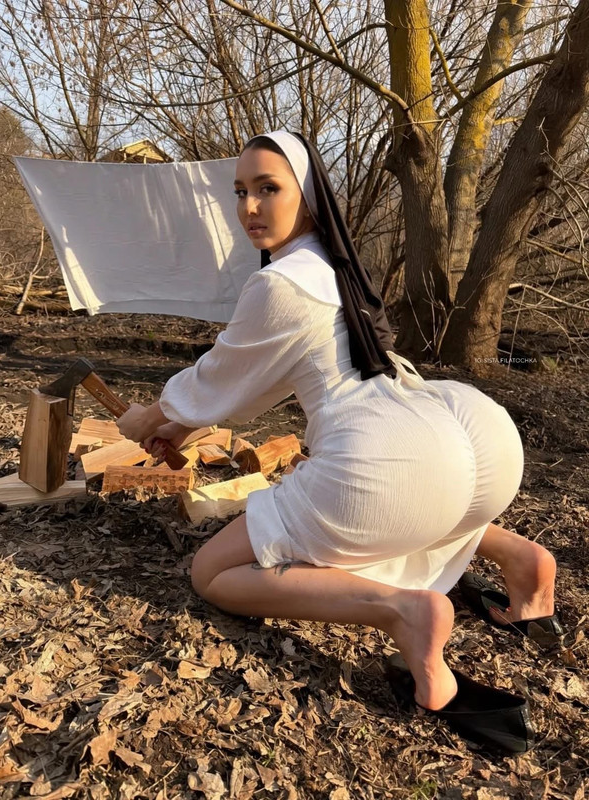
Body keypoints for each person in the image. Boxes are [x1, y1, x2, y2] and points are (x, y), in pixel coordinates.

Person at [117, 131, 561, 748]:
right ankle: (518, 558)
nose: (249, 207)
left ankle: (403, 612)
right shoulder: (335, 267)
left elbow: (219, 374)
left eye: (268, 189)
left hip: (386, 459)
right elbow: (258, 377)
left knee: (211, 572)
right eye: (240, 191)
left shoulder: (281, 282)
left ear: (307, 194)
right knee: (422, 497)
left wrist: (150, 416)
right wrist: (181, 424)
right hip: (470, 434)